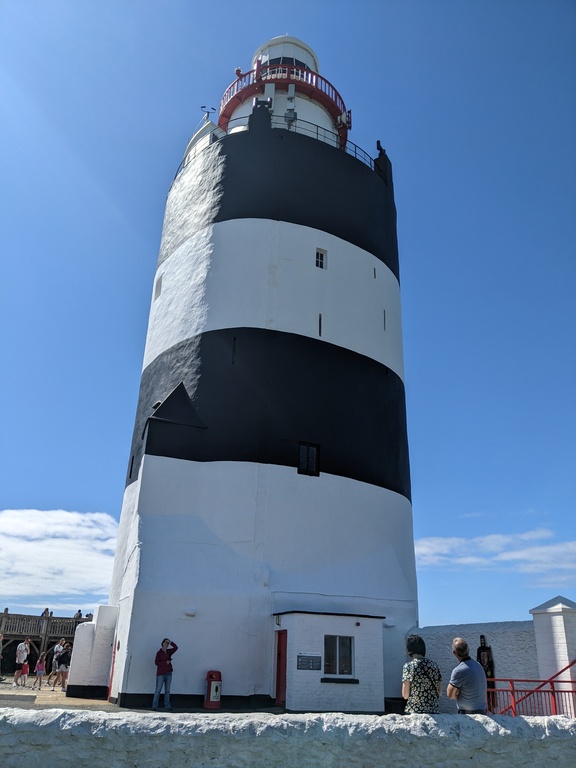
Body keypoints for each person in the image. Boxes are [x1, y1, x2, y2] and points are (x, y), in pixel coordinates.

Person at [401, 634, 442, 714]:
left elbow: (405, 695)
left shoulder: (409, 666)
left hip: (414, 711)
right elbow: (440, 692)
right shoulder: (434, 665)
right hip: (433, 710)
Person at [447, 637, 487, 714]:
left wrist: (458, 692)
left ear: (454, 653)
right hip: (482, 712)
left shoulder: (458, 670)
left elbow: (450, 695)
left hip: (468, 714)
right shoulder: (478, 665)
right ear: (468, 650)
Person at [152, 638, 178, 711]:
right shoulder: (159, 653)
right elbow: (156, 662)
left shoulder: (169, 652)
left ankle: (167, 705)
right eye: (166, 643)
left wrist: (171, 642)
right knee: (158, 689)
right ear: (162, 643)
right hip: (160, 673)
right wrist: (164, 663)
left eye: (168, 643)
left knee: (167, 690)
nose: (167, 644)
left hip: (168, 672)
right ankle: (154, 705)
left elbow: (176, 647)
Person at [477, 634, 496, 712]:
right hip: (482, 672)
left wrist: (489, 669)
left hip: (488, 673)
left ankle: (491, 705)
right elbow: (478, 660)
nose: (482, 642)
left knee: (490, 688)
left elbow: (490, 661)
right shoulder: (479, 649)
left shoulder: (488, 649)